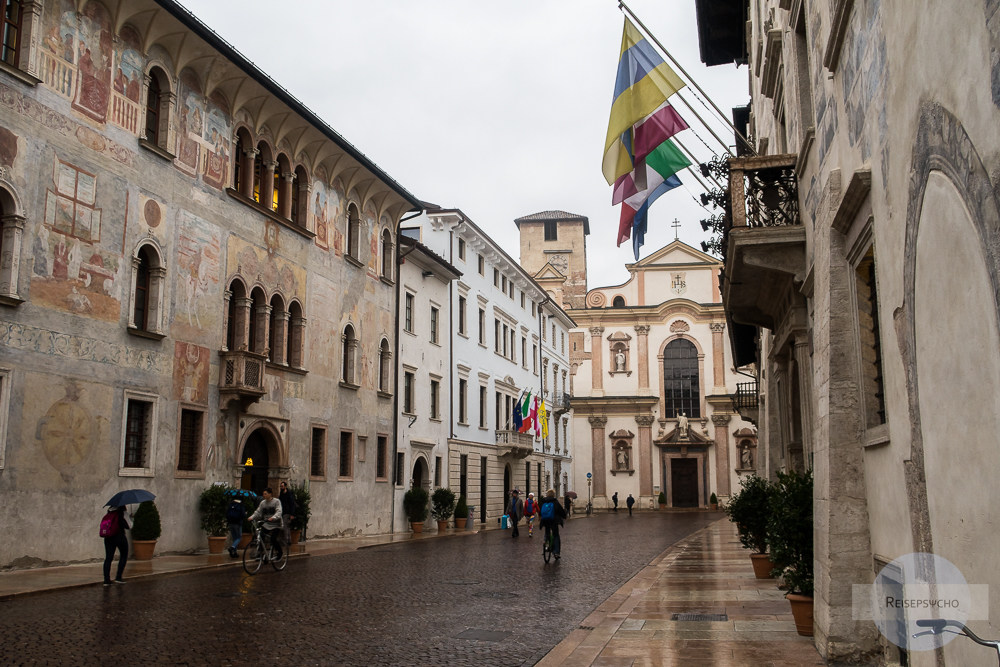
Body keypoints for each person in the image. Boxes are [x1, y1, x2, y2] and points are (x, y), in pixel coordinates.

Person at [248, 487, 283, 559]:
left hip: (276, 523)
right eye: (263, 494)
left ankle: (279, 552)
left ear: (270, 494)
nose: (264, 495)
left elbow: (279, 511)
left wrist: (273, 517)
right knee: (261, 536)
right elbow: (258, 512)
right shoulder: (263, 503)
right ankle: (260, 552)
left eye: (265, 494)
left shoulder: (276, 501)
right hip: (267, 523)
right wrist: (252, 517)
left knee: (273, 539)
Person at [102, 506, 129, 585]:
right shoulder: (123, 512)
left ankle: (106, 580)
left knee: (108, 558)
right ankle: (118, 577)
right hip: (119, 536)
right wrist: (130, 518)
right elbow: (129, 526)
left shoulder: (109, 511)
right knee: (124, 555)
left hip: (108, 537)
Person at [539, 489, 568, 559]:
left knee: (547, 532)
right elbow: (561, 511)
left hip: (545, 520)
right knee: (556, 535)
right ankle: (556, 552)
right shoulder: (555, 502)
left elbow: (540, 511)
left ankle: (545, 543)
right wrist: (564, 516)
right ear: (553, 495)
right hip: (553, 521)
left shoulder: (543, 501)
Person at [278, 481, 296, 548]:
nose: (281, 487)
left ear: (285, 486)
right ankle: (288, 541)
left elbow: (292, 504)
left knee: (285, 527)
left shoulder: (289, 494)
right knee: (286, 527)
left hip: (287, 512)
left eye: (282, 486)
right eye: (280, 486)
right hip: (283, 512)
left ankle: (287, 541)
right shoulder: (281, 493)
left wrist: (292, 514)